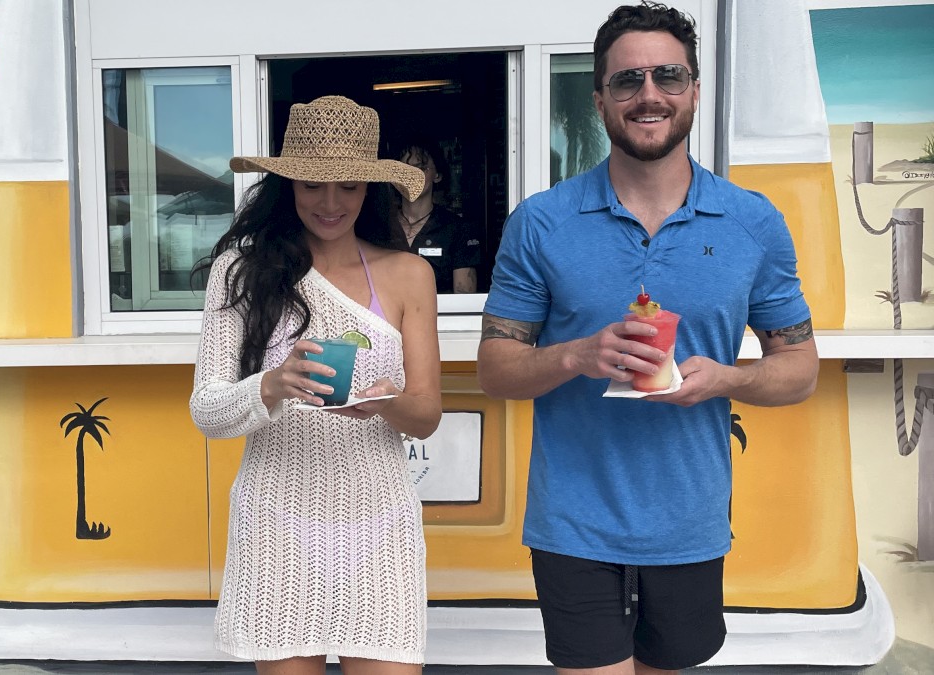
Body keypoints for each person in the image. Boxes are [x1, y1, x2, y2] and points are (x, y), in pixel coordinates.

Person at [477, 3, 819, 674]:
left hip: (689, 524)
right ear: (599, 97)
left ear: (695, 89)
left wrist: (728, 378)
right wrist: (578, 352)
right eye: (628, 80)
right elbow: (496, 368)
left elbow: (798, 367)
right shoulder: (541, 223)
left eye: (668, 75)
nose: (649, 94)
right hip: (575, 522)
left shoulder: (752, 221)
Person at [189, 95, 442, 675]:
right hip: (276, 518)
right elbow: (206, 411)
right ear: (287, 186)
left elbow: (426, 414)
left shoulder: (409, 274)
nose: (330, 203)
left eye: (348, 187)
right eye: (312, 185)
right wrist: (273, 386)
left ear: (369, 190)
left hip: (378, 520)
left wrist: (384, 403)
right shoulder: (240, 271)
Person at [391, 138, 481, 293]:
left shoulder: (457, 229)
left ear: (437, 175)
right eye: (404, 169)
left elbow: (464, 298)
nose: (412, 176)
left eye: (420, 168)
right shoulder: (380, 226)